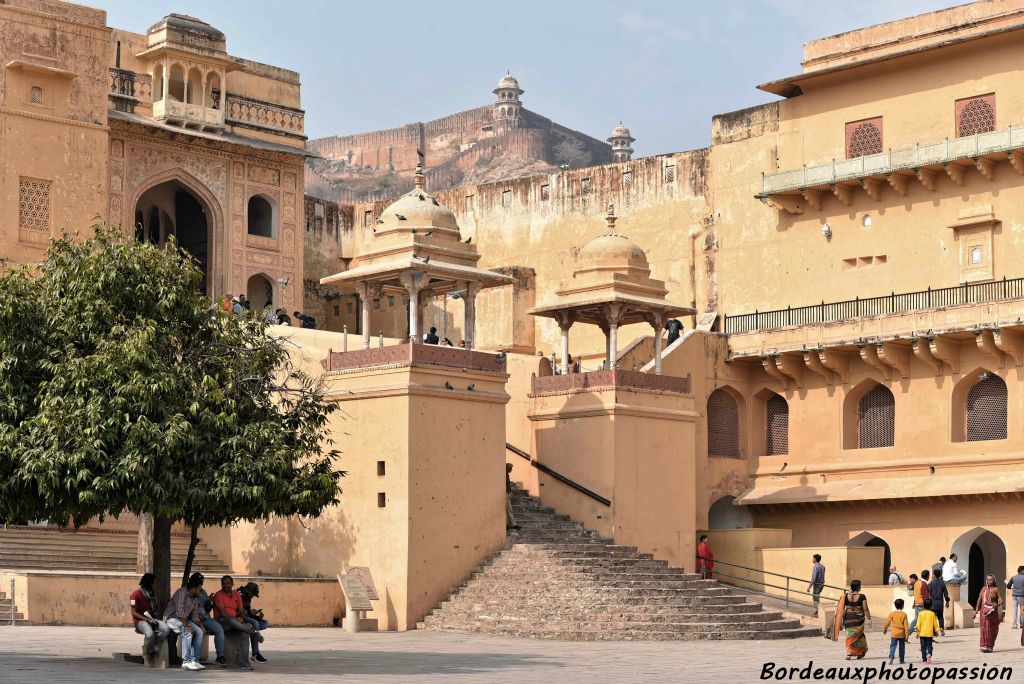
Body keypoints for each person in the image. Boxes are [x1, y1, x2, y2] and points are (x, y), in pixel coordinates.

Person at [163, 574, 206, 671]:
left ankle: (195, 661)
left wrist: (201, 626)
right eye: (200, 588)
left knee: (199, 632)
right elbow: (179, 612)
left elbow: (195, 615)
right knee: (188, 632)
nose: (201, 590)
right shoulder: (182, 593)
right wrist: (186, 626)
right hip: (171, 618)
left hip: (184, 619)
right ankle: (186, 662)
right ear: (194, 588)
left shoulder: (195, 597)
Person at [212, 575, 255, 670]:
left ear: (232, 584)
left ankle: (244, 663)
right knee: (231, 621)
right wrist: (236, 619)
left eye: (228, 583)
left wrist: (241, 617)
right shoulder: (218, 595)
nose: (225, 585)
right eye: (223, 584)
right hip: (222, 622)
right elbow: (223, 613)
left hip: (236, 623)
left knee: (245, 634)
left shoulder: (237, 595)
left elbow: (241, 610)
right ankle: (253, 632)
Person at [130, 573, 170, 658]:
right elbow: (134, 612)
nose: (154, 585)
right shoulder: (135, 595)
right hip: (140, 622)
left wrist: (156, 594)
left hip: (152, 620)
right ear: (148, 583)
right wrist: (146, 619)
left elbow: (158, 607)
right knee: (150, 634)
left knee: (166, 629)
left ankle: (149, 644)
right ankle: (150, 651)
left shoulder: (151, 595)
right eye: (152, 583)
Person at [194, 572, 226, 666]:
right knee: (199, 631)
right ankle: (195, 658)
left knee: (219, 628)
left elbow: (207, 608)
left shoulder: (203, 592)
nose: (201, 584)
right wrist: (199, 620)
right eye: (199, 582)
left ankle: (220, 656)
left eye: (202, 582)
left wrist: (209, 602)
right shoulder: (187, 591)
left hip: (205, 618)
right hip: (193, 618)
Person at [833, 579, 871, 659]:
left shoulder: (845, 596)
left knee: (849, 636)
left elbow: (841, 609)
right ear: (858, 587)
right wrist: (869, 619)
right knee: (859, 636)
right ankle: (859, 652)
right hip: (858, 620)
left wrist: (840, 620)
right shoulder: (862, 596)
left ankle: (849, 653)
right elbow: (865, 609)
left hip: (848, 619)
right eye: (860, 586)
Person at [239, 582, 269, 663]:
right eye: (252, 594)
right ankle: (255, 653)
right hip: (238, 618)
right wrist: (249, 613)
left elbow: (248, 614)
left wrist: (257, 616)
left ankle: (256, 633)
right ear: (248, 590)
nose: (252, 596)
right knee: (255, 624)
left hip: (246, 618)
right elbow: (238, 611)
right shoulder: (239, 594)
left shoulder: (247, 596)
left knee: (265, 623)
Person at [974, 574, 1002, 653]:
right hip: (984, 612)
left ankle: (990, 646)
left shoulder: (996, 589)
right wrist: (976, 611)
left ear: (994, 581)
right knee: (984, 629)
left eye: (991, 580)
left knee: (992, 629)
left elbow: (1000, 599)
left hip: (993, 612)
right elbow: (979, 600)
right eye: (988, 580)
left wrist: (998, 603)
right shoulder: (983, 589)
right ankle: (984, 645)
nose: (989, 581)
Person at [883, 597, 909, 665]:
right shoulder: (904, 614)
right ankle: (901, 660)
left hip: (894, 633)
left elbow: (887, 622)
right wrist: (907, 634)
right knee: (902, 647)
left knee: (893, 646)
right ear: (902, 606)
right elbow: (906, 625)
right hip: (902, 634)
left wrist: (885, 629)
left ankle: (891, 657)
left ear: (895, 606)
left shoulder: (892, 614)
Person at [914, 599, 940, 664]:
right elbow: (935, 623)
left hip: (922, 633)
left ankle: (924, 659)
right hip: (929, 633)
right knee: (929, 645)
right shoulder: (932, 614)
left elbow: (918, 623)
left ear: (924, 606)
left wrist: (917, 631)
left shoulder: (920, 613)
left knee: (923, 647)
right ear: (931, 606)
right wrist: (936, 631)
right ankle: (929, 654)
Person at [928, 568, 950, 636]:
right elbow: (946, 594)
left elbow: (928, 593)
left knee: (933, 617)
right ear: (940, 575)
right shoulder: (942, 583)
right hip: (940, 603)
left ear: (934, 575)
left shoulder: (931, 584)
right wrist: (947, 602)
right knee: (940, 617)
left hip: (932, 603)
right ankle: (941, 628)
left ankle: (934, 631)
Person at [504, 463, 519, 530]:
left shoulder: (506, 475)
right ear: (507, 468)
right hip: (506, 493)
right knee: (509, 509)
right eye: (510, 468)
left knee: (508, 509)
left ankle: (507, 524)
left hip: (507, 493)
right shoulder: (505, 475)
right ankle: (513, 524)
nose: (511, 470)